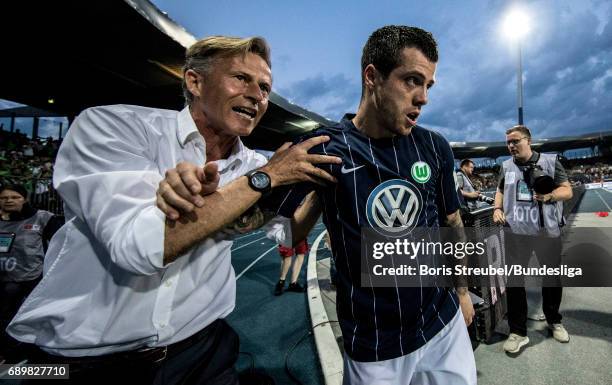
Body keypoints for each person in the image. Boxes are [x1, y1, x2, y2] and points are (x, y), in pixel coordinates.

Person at [7, 36, 339, 384]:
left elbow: (289, 234)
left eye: (265, 87)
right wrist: (265, 178)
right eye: (241, 78)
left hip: (203, 350)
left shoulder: (253, 164)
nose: (258, 95)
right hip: (87, 364)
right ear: (195, 81)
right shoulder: (114, 127)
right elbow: (139, 250)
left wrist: (318, 190)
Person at [159, 26, 476, 385]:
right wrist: (201, 197)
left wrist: (462, 292)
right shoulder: (322, 149)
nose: (423, 98)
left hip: (443, 322)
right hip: (375, 346)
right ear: (372, 77)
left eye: (428, 86)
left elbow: (451, 222)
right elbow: (274, 230)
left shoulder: (433, 146)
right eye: (412, 81)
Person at [493, 124, 572, 354]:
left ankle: (554, 321)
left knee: (551, 280)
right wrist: (497, 208)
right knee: (515, 283)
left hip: (546, 232)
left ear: (528, 140)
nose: (511, 146)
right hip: (516, 233)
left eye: (515, 141)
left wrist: (549, 196)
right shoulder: (506, 166)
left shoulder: (549, 161)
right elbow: (500, 189)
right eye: (508, 142)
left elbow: (567, 190)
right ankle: (518, 332)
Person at [0, 184, 63, 362]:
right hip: (4, 279)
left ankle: (34, 359)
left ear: (24, 199)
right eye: (4, 198)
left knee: (32, 319)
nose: (9, 201)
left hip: (33, 279)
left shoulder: (42, 218)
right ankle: (10, 357)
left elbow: (61, 246)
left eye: (14, 197)